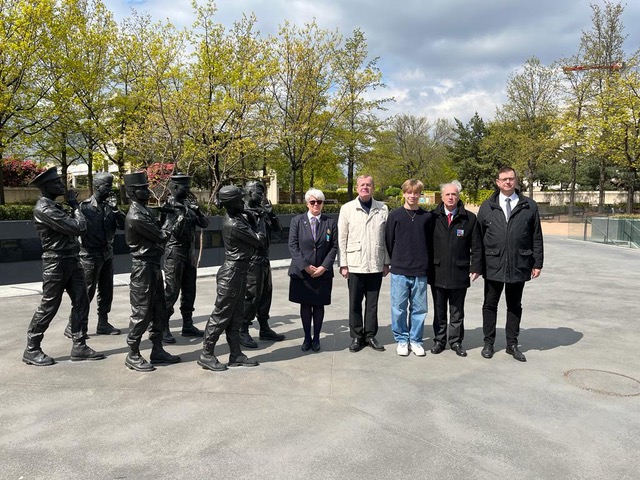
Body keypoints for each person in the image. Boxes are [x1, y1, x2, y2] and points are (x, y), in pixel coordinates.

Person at [22, 167, 105, 366]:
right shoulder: (45, 209)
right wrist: (76, 206)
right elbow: (79, 227)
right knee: (49, 305)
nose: (62, 185)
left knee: (82, 300)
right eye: (57, 182)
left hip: (71, 259)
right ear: (45, 187)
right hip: (56, 263)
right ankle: (32, 348)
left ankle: (79, 345)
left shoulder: (55, 207)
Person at [477, 166, 544, 362]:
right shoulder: (487, 206)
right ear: (497, 182)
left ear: (516, 180)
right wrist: (478, 265)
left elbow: (536, 236)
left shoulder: (529, 205)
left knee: (514, 305)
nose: (508, 182)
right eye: (504, 179)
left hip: (519, 263)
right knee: (490, 305)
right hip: (493, 263)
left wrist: (537, 262)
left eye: (511, 178)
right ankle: (488, 343)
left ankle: (511, 344)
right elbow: (479, 238)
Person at [198, 185, 266, 372]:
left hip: (240, 271)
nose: (243, 202)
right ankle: (206, 354)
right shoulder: (235, 224)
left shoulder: (237, 218)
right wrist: (257, 219)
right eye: (240, 199)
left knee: (236, 316)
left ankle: (236, 353)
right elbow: (260, 240)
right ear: (233, 203)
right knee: (221, 315)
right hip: (232, 273)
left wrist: (250, 217)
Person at [124, 171, 181, 372]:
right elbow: (162, 235)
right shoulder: (136, 215)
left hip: (153, 266)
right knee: (141, 311)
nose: (147, 190)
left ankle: (157, 350)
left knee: (158, 309)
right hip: (143, 269)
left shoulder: (145, 210)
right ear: (131, 192)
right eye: (142, 188)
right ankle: (133, 353)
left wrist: (164, 214)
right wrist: (171, 218)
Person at [63, 172, 125, 338]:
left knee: (107, 291)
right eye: (107, 185)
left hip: (107, 253)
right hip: (89, 255)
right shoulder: (84, 207)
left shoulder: (110, 206)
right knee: (86, 293)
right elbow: (76, 228)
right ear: (98, 186)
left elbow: (124, 225)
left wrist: (116, 209)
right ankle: (73, 325)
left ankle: (103, 323)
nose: (110, 189)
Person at [428, 181, 482, 357]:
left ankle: (456, 341)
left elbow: (476, 246)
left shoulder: (469, 218)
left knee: (457, 311)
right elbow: (426, 245)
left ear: (459, 196)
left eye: (454, 194)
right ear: (442, 197)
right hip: (437, 271)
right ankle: (439, 340)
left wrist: (476, 267)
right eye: (448, 194)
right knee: (440, 310)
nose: (451, 197)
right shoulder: (432, 218)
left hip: (460, 272)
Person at [338, 175, 390, 353]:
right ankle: (356, 336)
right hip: (355, 264)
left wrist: (386, 262)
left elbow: (386, 238)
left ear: (373, 187)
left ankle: (370, 335)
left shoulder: (382, 208)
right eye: (362, 185)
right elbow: (342, 238)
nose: (365, 187)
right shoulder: (347, 209)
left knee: (372, 303)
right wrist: (343, 264)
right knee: (355, 303)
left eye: (368, 185)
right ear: (357, 188)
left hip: (375, 263)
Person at [385, 179, 432, 357]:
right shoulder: (395, 215)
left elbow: (429, 241)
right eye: (409, 192)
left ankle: (416, 340)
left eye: (416, 193)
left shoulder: (427, 217)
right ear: (403, 193)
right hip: (400, 269)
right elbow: (389, 240)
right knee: (398, 307)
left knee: (419, 308)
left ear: (420, 194)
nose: (412, 196)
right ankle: (402, 339)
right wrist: (394, 260)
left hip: (420, 269)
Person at [288, 188, 338, 352]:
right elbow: (293, 245)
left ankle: (316, 338)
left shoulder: (330, 222)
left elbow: (334, 247)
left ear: (323, 203)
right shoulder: (297, 221)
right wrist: (305, 266)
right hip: (303, 273)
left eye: (319, 201)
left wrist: (324, 267)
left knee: (318, 306)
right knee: (305, 306)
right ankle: (306, 337)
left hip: (322, 273)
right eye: (312, 202)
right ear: (307, 203)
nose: (316, 204)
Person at [162, 173, 209, 343]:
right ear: (175, 187)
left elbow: (204, 224)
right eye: (185, 187)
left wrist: (197, 210)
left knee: (190, 290)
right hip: (174, 252)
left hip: (189, 252)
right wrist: (182, 214)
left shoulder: (188, 206)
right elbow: (170, 232)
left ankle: (187, 324)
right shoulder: (168, 206)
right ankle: (163, 326)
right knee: (171, 291)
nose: (189, 190)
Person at [239, 180, 285, 348]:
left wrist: (271, 214)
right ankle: (242, 329)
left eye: (262, 192)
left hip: (264, 259)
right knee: (251, 296)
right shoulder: (242, 214)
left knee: (266, 295)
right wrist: (260, 216)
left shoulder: (262, 211)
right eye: (259, 193)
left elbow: (278, 229)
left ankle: (264, 328)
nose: (262, 196)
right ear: (249, 193)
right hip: (251, 260)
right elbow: (255, 238)